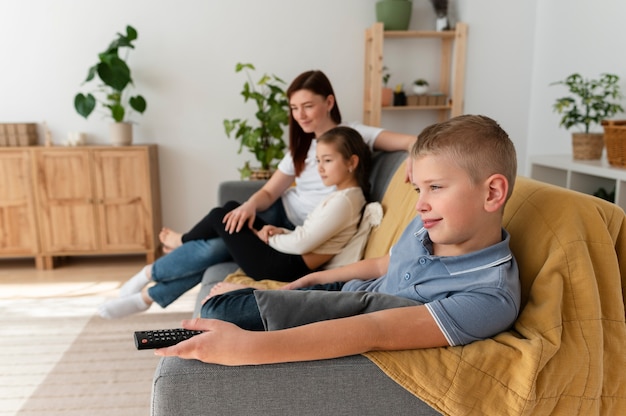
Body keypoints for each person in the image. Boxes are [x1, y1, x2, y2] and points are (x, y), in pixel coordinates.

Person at [155, 114, 521, 365]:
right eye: (418, 188)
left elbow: (373, 329)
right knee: (224, 293)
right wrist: (314, 280)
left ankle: (151, 284)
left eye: (436, 187)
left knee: (219, 310)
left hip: (355, 312)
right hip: (346, 290)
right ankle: (150, 286)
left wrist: (247, 348)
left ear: (492, 194)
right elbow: (384, 264)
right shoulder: (430, 224)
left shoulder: (489, 296)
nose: (420, 204)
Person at [98, 126, 372, 319]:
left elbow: (304, 241)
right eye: (318, 161)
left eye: (327, 160)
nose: (320, 168)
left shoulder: (346, 200)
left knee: (224, 214)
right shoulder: (342, 196)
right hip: (287, 259)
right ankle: (147, 297)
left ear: (351, 162)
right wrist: (279, 231)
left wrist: (266, 237)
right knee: (220, 244)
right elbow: (308, 234)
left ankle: (167, 255)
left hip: (286, 266)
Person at [159, 69, 416, 253]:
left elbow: (411, 141)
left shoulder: (356, 134)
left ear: (328, 102)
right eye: (294, 108)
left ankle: (171, 254)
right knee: (226, 226)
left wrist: (414, 160)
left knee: (216, 247)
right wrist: (249, 206)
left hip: (301, 226)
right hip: (279, 211)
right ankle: (172, 253)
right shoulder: (301, 146)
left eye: (307, 106)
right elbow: (270, 191)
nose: (299, 115)